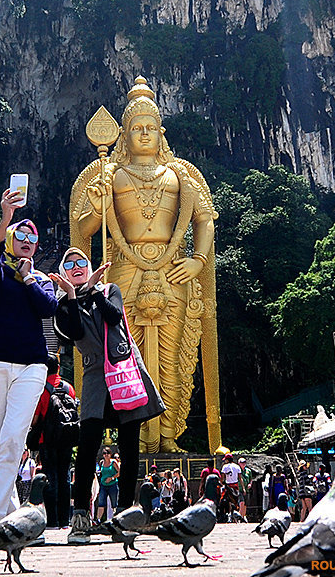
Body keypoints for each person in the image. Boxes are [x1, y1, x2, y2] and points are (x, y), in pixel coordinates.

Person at [70, 77, 221, 453]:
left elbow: (205, 219)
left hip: (173, 271)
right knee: (125, 357)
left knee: (172, 357)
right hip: (124, 268)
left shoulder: (180, 175)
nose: (144, 134)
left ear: (161, 132)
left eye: (150, 128)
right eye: (136, 128)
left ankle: (168, 435)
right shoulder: (110, 174)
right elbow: (85, 227)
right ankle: (133, 439)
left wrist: (197, 259)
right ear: (124, 133)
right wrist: (100, 204)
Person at [52, 247, 164, 544]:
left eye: (81, 262)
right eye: (69, 263)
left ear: (89, 268)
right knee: (88, 445)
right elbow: (75, 332)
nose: (76, 267)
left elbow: (114, 318)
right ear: (64, 273)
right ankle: (79, 517)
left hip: (124, 371)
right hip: (94, 379)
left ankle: (126, 514)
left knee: (129, 446)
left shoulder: (109, 289)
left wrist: (95, 292)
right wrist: (75, 297)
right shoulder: (64, 305)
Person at [0, 190, 57, 533]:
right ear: (10, 239)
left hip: (31, 365)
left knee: (11, 439)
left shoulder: (42, 281)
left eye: (31, 238)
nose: (25, 240)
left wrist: (30, 276)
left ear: (36, 248)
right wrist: (5, 218)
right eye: (19, 234)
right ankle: (11, 513)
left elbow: (47, 308)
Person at [31, 355, 76, 528]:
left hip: (47, 438)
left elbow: (36, 418)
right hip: (66, 437)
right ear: (58, 367)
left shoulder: (43, 390)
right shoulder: (68, 387)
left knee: (50, 478)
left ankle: (52, 520)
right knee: (65, 477)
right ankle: (65, 519)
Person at [95, 448, 120, 521]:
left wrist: (112, 478)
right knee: (101, 503)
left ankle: (115, 519)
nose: (106, 455)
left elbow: (119, 473)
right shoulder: (101, 462)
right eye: (104, 454)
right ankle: (98, 520)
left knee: (114, 503)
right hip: (103, 485)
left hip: (112, 484)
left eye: (107, 453)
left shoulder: (113, 462)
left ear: (110, 454)